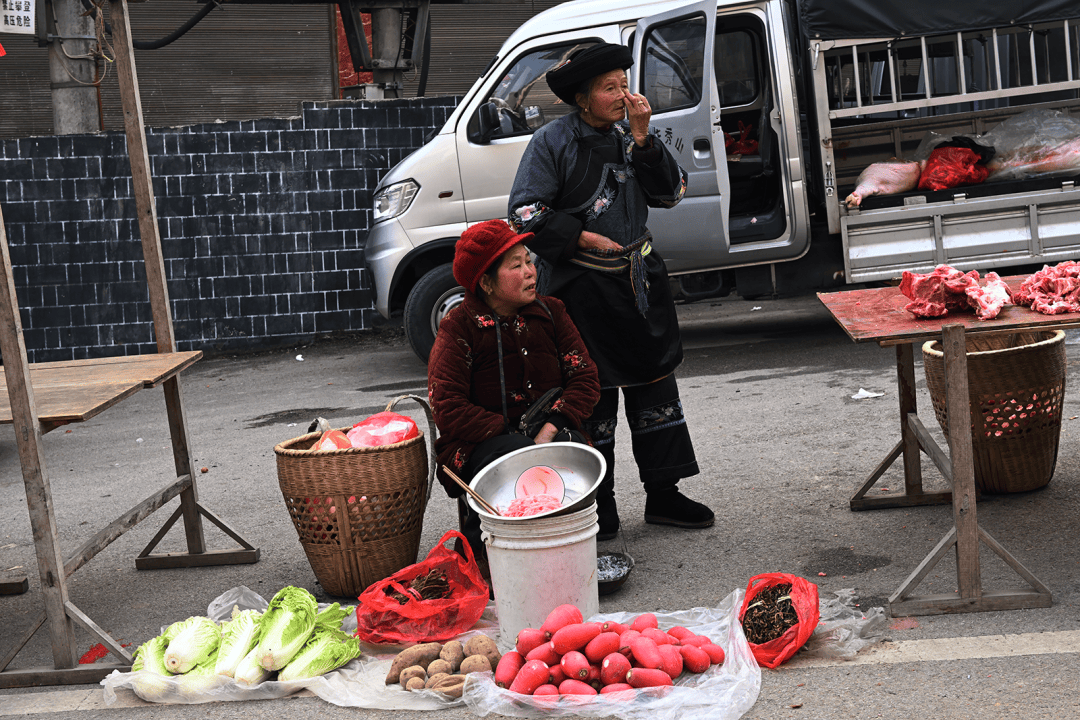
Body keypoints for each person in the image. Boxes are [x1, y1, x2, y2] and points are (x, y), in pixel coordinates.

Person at [507, 42, 714, 541]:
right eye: (609, 87)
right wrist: (578, 235)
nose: (623, 94)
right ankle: (599, 504)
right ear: (582, 99)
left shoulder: (632, 134)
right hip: (581, 290)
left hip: (638, 282)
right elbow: (524, 212)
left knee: (654, 386)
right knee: (590, 397)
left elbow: (672, 193)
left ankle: (665, 495)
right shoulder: (552, 142)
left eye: (625, 83)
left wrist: (644, 141)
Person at [428, 219, 601, 568]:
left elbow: (584, 377)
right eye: (516, 265)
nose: (530, 271)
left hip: (546, 431)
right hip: (479, 445)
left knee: (572, 452)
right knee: (517, 458)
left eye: (529, 261)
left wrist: (549, 429)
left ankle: (560, 550)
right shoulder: (459, 327)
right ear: (487, 283)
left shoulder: (552, 313)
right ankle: (491, 554)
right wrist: (512, 438)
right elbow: (448, 405)